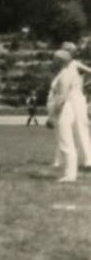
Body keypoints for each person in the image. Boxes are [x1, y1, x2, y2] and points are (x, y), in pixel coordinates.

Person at [46, 50, 82, 182]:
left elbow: (62, 96)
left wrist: (53, 115)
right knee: (64, 141)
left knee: (66, 142)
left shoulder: (66, 74)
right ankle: (69, 172)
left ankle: (70, 174)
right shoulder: (64, 73)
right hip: (63, 109)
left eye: (55, 59)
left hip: (64, 110)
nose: (52, 62)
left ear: (61, 61)